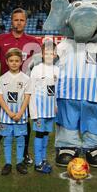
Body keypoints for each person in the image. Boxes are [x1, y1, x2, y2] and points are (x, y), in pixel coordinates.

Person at [0, 8, 41, 167]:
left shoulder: (34, 42)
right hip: (4, 88)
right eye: (16, 20)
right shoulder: (1, 39)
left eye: (22, 20)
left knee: (25, 119)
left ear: (26, 22)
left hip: (25, 90)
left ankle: (25, 154)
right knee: (0, 119)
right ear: (11, 21)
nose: (19, 22)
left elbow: (38, 67)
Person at [26, 41, 59, 174]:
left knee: (46, 134)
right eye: (47, 53)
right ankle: (38, 163)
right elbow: (31, 90)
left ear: (55, 54)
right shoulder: (37, 69)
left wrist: (55, 105)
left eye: (52, 53)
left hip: (50, 110)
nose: (50, 55)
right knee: (39, 134)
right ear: (42, 54)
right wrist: (33, 111)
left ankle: (43, 159)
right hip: (39, 110)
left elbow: (55, 90)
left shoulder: (57, 70)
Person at [0, 48, 31, 175]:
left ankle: (19, 162)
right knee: (7, 139)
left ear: (21, 61)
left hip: (21, 116)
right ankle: (8, 163)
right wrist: (9, 113)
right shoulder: (3, 78)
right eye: (11, 61)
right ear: (6, 61)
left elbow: (27, 96)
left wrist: (21, 113)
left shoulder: (26, 78)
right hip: (6, 116)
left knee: (21, 138)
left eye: (17, 60)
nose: (14, 63)